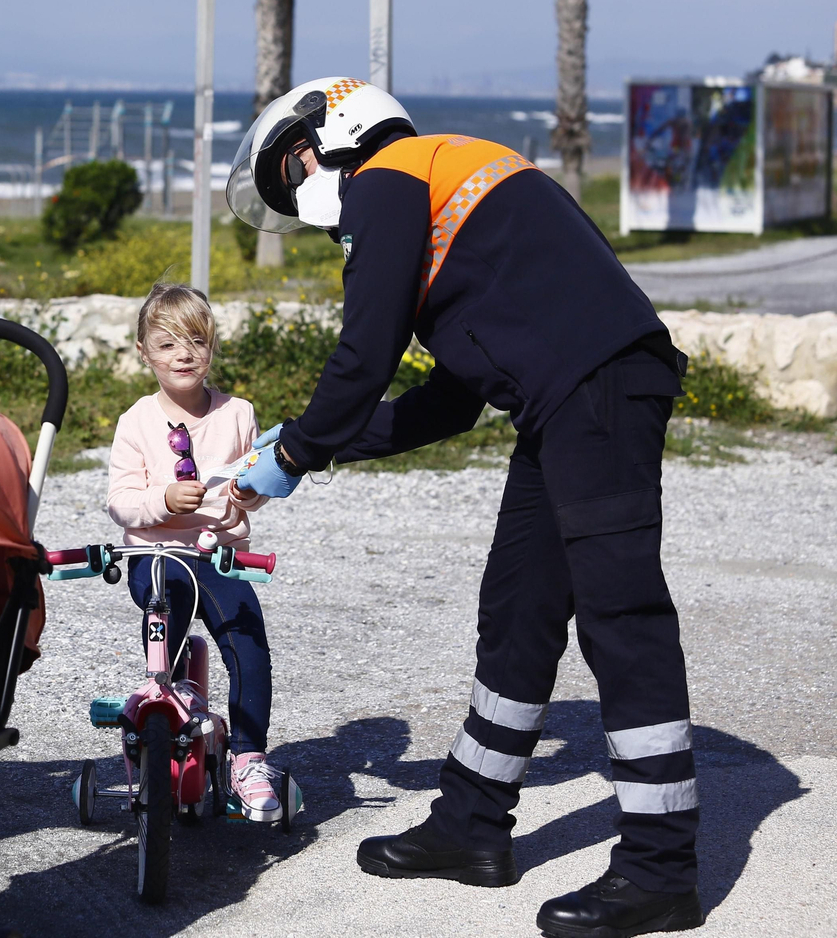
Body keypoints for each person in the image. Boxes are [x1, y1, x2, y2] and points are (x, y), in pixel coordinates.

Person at [228, 77, 701, 938]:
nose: (301, 205)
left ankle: (661, 867)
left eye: (291, 174)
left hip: (597, 388)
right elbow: (448, 402)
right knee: (518, 608)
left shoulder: (393, 177)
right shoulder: (440, 189)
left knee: (619, 615)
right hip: (571, 396)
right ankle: (473, 826)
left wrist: (297, 449)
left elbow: (365, 354)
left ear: (332, 132)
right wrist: (310, 448)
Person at [106, 283, 281, 819]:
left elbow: (252, 486)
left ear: (212, 347)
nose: (183, 354)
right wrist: (162, 500)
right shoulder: (137, 421)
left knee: (247, 644)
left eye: (196, 342)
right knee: (165, 598)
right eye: (166, 344)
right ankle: (164, 700)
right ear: (144, 352)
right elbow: (120, 502)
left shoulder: (237, 414)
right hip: (158, 553)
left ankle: (249, 755)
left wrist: (249, 493)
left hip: (219, 555)